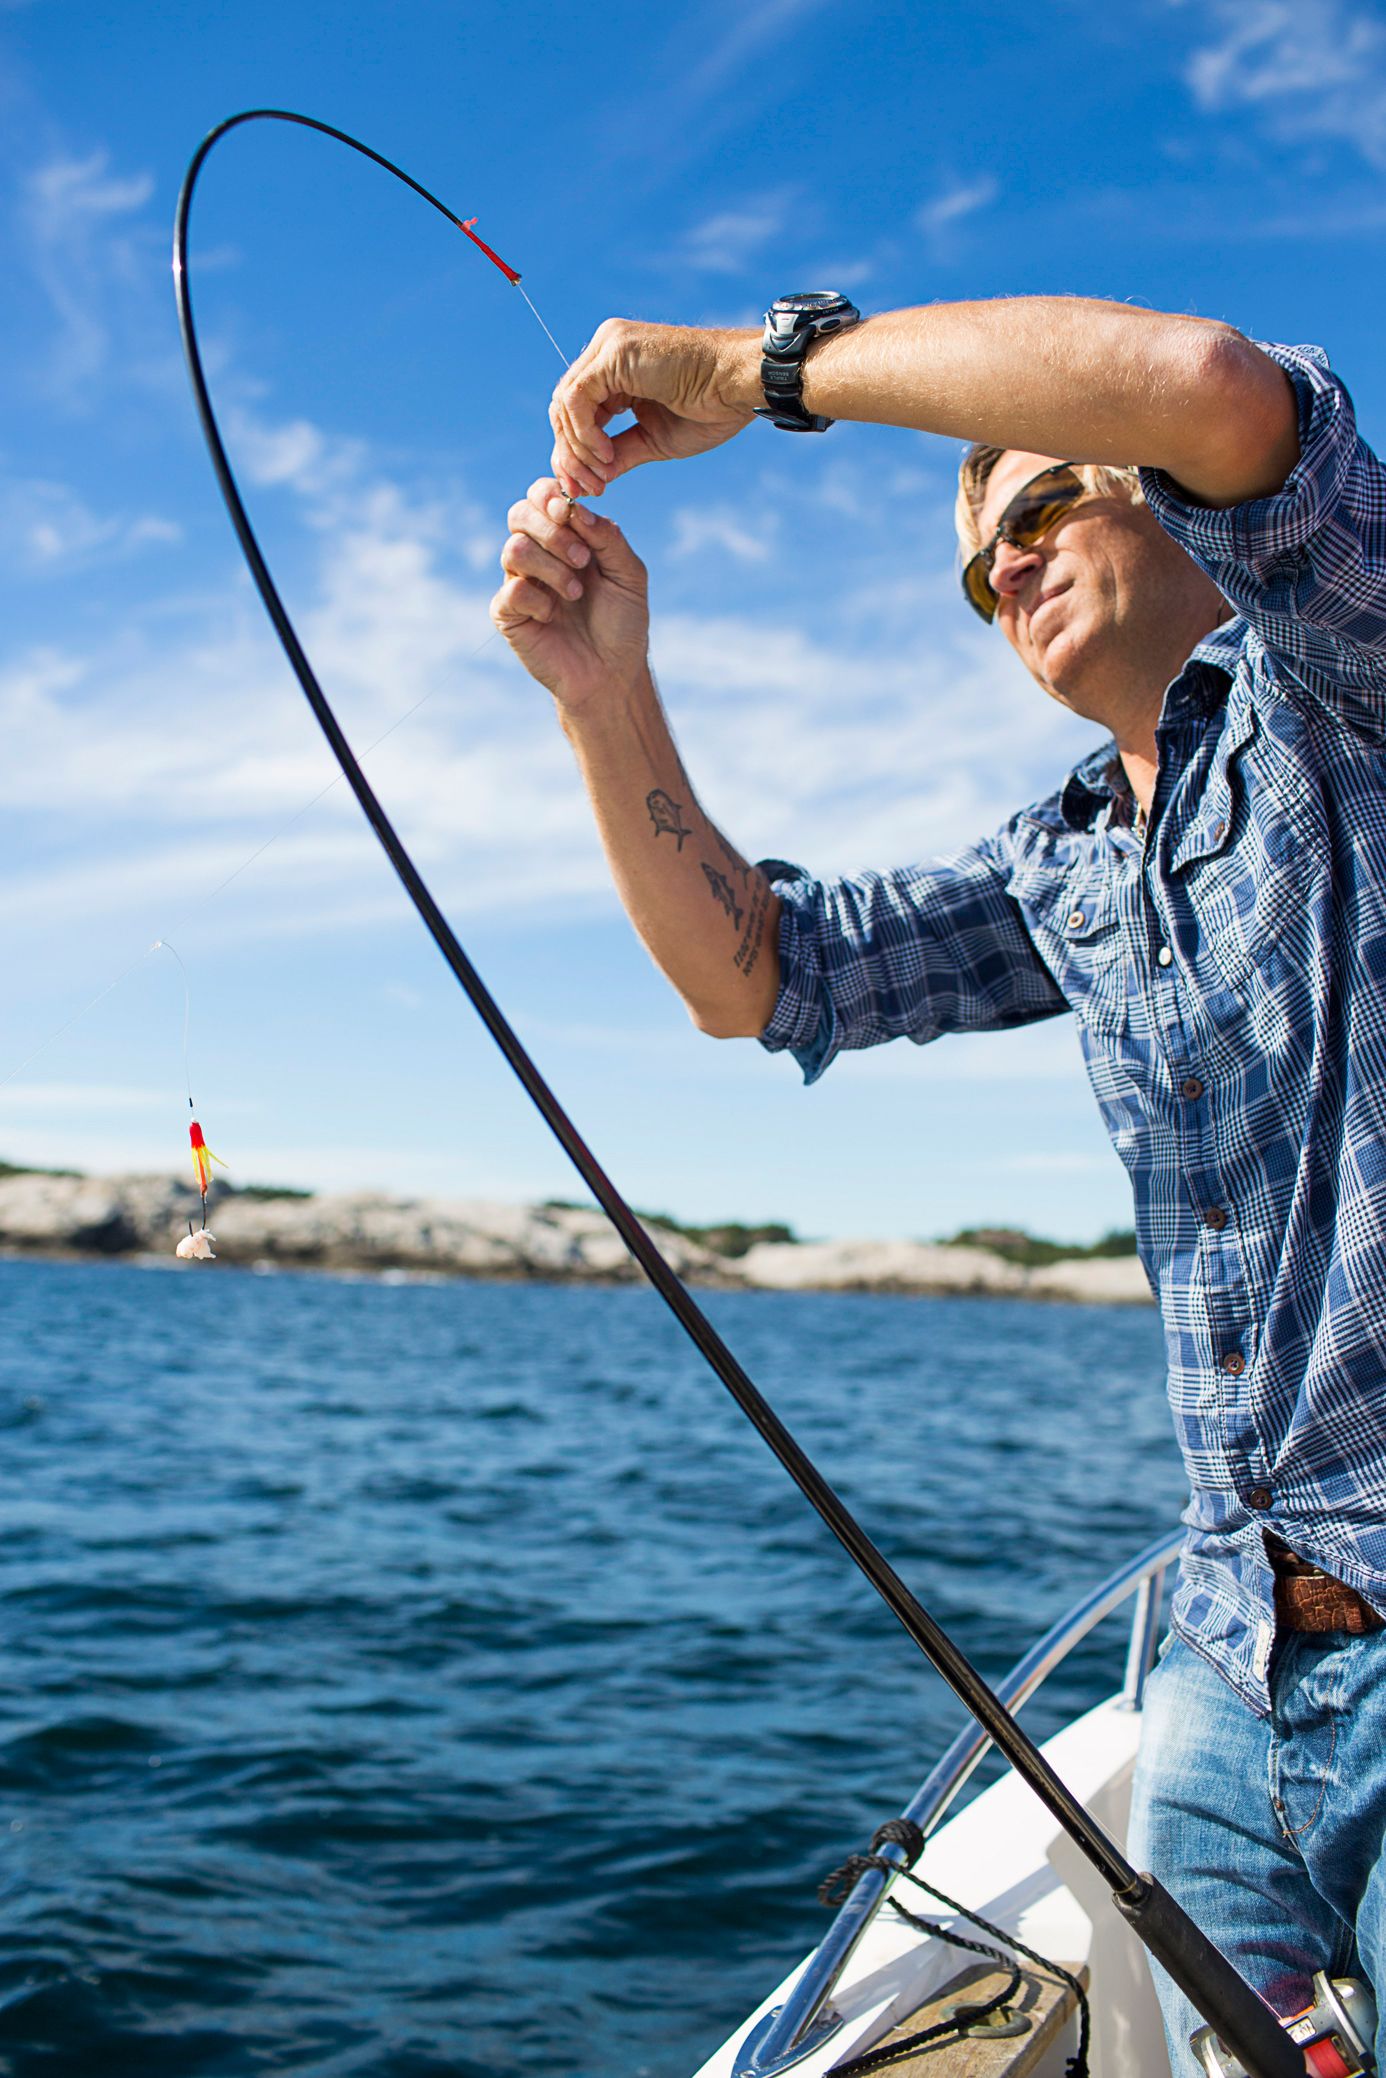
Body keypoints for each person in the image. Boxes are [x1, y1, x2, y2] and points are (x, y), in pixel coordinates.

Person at [489, 295, 1386, 2075]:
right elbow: (753, 973)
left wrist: (757, 373)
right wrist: (606, 693)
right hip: (1223, 1663)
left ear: (1166, 509)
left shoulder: (1340, 693)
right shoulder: (1063, 865)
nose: (1012, 570)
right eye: (984, 572)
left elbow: (1216, 392)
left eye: (1044, 509)